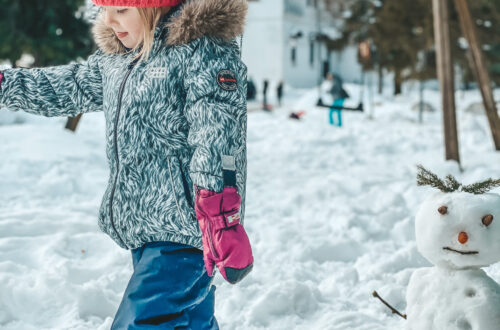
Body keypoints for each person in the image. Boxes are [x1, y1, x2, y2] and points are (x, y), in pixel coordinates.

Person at [0, 0, 253, 328]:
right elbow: (65, 86)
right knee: (188, 321)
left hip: (186, 228)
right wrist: (6, 85)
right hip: (145, 229)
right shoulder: (118, 59)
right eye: (104, 8)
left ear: (155, 9)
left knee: (142, 321)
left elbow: (219, 131)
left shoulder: (201, 53)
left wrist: (220, 210)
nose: (108, 19)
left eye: (121, 10)